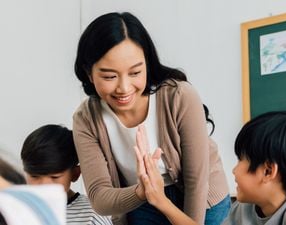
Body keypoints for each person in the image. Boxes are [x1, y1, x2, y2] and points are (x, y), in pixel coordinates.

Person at [73, 11, 230, 225]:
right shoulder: (86, 119)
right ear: (89, 73)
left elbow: (196, 182)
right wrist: (143, 191)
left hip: (202, 197)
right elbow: (100, 198)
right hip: (139, 200)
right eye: (109, 76)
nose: (124, 88)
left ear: (147, 63)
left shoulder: (179, 96)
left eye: (135, 73)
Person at [135, 111, 286, 225]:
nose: (234, 170)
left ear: (268, 171)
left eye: (241, 160)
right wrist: (161, 201)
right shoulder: (243, 209)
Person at [20, 124, 113, 225]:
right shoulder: (16, 210)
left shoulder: (92, 217)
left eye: (54, 177)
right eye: (34, 176)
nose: (44, 186)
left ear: (75, 174)